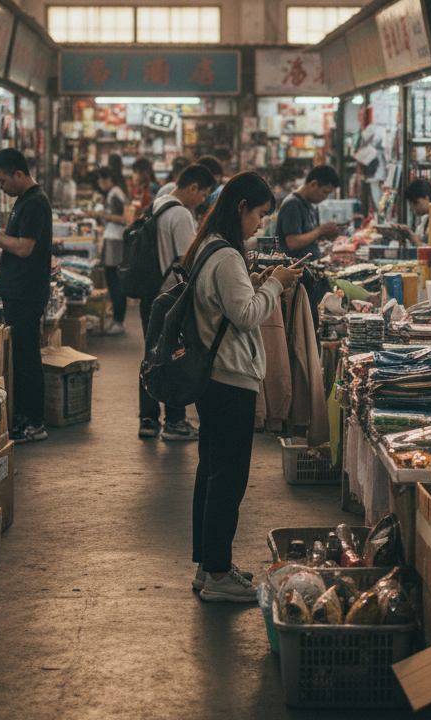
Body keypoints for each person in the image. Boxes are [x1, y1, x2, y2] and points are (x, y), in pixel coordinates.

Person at [182, 171, 305, 602]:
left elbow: (226, 306)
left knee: (212, 473)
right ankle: (218, 576)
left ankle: (208, 566)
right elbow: (247, 316)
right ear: (241, 208)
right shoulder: (227, 256)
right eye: (259, 214)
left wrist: (255, 284)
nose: (261, 224)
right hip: (229, 379)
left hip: (213, 378)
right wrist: (275, 284)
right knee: (228, 481)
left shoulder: (208, 245)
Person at [0, 150, 53, 443]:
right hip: (18, 291)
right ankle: (24, 418)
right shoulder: (23, 201)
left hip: (27, 293)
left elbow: (23, 248)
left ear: (18, 173)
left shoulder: (35, 202)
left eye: (2, 180)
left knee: (28, 358)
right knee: (21, 356)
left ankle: (35, 423)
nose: (1, 187)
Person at [139, 163, 216, 441]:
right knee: (175, 356)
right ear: (193, 188)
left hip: (149, 292)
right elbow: (188, 259)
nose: (202, 201)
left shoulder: (157, 204)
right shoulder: (181, 213)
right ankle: (175, 422)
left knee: (152, 355)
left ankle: (148, 419)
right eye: (203, 194)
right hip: (172, 297)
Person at [274, 164, 341, 260]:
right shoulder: (292, 204)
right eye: (325, 192)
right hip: (295, 267)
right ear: (313, 184)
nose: (325, 197)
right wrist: (321, 230)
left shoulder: (309, 204)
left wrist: (325, 234)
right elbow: (292, 242)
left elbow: (307, 236)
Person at [93, 166, 127, 335]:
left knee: (114, 282)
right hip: (114, 239)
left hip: (115, 240)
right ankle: (117, 320)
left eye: (101, 179)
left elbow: (123, 218)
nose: (99, 182)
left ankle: (118, 321)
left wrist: (102, 214)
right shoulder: (115, 193)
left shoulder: (115, 194)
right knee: (113, 281)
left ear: (108, 180)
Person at [395, 178, 431, 246]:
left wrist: (411, 237)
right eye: (410, 204)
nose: (413, 207)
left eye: (416, 202)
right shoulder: (424, 220)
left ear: (427, 198)